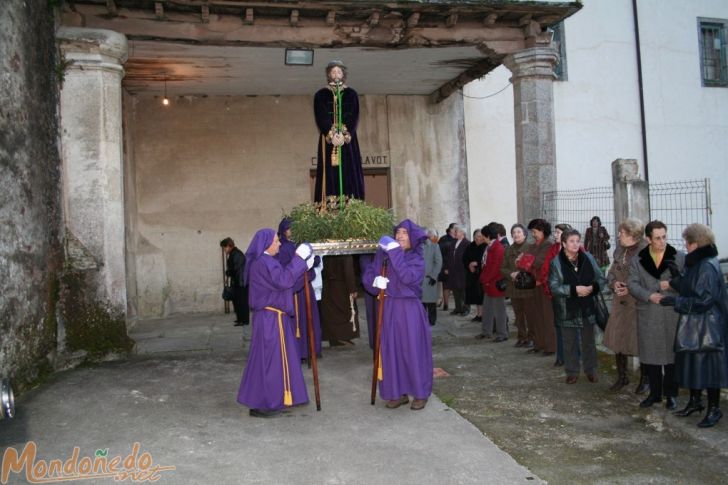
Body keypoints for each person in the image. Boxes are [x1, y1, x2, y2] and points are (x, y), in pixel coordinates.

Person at [237, 229, 315, 417]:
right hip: (270, 319)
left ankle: (280, 396)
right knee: (270, 362)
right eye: (276, 241)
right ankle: (266, 402)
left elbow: (285, 286)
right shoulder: (263, 263)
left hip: (274, 318)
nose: (279, 244)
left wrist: (304, 267)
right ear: (266, 244)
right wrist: (298, 260)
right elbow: (282, 281)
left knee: (278, 361)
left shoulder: (267, 262)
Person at [659, 224, 728, 428]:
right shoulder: (698, 262)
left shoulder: (706, 265)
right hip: (696, 323)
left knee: (708, 368)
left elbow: (703, 301)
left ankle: (714, 409)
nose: (685, 246)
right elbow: (690, 288)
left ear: (695, 243)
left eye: (686, 242)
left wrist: (675, 302)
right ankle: (695, 401)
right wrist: (677, 279)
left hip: (707, 325)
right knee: (692, 363)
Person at [363, 219, 432, 410]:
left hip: (409, 310)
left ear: (413, 238)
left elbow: (408, 277)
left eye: (404, 233)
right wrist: (374, 282)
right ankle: (397, 392)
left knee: (411, 351)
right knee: (390, 350)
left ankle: (419, 392)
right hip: (388, 307)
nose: (400, 236)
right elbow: (369, 273)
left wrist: (394, 252)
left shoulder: (416, 258)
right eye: (398, 232)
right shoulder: (384, 255)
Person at [627, 220, 684, 409]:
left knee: (671, 357)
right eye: (657, 238)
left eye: (664, 237)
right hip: (648, 312)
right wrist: (650, 293)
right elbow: (633, 284)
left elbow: (686, 283)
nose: (662, 241)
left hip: (671, 314)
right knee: (651, 357)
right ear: (648, 238)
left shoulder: (678, 257)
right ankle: (654, 394)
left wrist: (673, 284)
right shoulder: (637, 259)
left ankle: (671, 395)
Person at [549, 229, 607, 384]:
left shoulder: (588, 257)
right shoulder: (556, 262)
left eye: (577, 241)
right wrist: (574, 290)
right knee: (569, 342)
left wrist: (592, 288)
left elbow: (600, 278)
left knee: (589, 340)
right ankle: (572, 371)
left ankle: (591, 370)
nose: (575, 244)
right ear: (564, 243)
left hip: (587, 305)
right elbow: (554, 287)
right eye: (571, 241)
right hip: (567, 307)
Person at [603, 219, 647, 391]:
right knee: (617, 340)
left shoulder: (645, 252)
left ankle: (645, 379)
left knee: (640, 342)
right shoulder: (620, 250)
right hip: (619, 304)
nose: (618, 235)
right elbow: (611, 274)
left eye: (622, 232)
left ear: (632, 235)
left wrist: (630, 288)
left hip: (637, 304)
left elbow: (648, 280)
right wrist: (614, 284)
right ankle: (622, 377)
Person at [313, 60, 364, 203]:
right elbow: (321, 116)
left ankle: (351, 202)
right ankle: (329, 203)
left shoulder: (351, 94)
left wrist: (344, 135)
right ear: (329, 74)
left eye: (339, 72)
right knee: (329, 171)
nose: (336, 74)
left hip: (347, 140)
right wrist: (331, 134)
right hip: (328, 140)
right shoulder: (320, 95)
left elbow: (354, 115)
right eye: (333, 72)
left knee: (349, 168)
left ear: (343, 74)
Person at [275, 218, 322, 360]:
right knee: (299, 320)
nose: (291, 231)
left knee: (309, 318)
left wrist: (313, 261)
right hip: (295, 289)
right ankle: (300, 351)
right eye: (289, 228)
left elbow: (310, 261)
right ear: (283, 230)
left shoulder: (297, 244)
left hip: (305, 285)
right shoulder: (283, 247)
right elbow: (284, 268)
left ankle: (311, 349)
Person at [523, 219, 557, 356]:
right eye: (532, 232)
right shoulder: (533, 246)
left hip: (544, 284)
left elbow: (538, 262)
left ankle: (550, 347)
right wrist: (525, 260)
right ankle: (539, 344)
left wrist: (525, 260)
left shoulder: (548, 245)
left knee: (547, 316)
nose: (533, 234)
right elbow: (523, 263)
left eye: (535, 231)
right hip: (533, 283)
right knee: (535, 315)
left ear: (543, 231)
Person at [540, 223, 572, 366]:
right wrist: (549, 288)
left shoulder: (576, 249)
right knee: (559, 326)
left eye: (558, 232)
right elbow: (546, 269)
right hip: (556, 294)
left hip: (570, 295)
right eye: (555, 232)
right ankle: (561, 357)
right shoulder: (553, 249)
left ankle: (573, 356)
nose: (555, 235)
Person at [502, 223, 533, 348]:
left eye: (519, 232)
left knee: (529, 314)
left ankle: (531, 337)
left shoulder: (530, 248)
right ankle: (521, 337)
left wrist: (520, 273)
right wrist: (511, 274)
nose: (516, 234)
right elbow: (502, 268)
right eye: (514, 232)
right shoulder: (508, 249)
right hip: (513, 286)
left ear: (525, 234)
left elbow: (532, 267)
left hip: (526, 286)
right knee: (518, 314)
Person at [320, 256, 360, 347]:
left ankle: (335, 337)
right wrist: (352, 288)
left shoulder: (327, 250)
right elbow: (348, 271)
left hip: (328, 285)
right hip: (342, 286)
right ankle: (341, 337)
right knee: (344, 312)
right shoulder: (345, 253)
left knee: (333, 313)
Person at [478, 224, 508, 342]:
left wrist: (484, 279)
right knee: (488, 310)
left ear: (488, 236)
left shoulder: (498, 248)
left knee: (499, 311)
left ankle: (502, 334)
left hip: (495, 284)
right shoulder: (491, 246)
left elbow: (495, 268)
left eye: (483, 236)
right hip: (488, 284)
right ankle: (486, 331)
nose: (482, 238)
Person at [220, 237, 249, 326]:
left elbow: (235, 269)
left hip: (241, 282)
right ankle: (240, 319)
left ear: (229, 246)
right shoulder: (234, 254)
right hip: (238, 282)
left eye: (224, 248)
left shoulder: (236, 254)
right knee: (237, 302)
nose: (224, 250)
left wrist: (228, 272)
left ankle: (244, 320)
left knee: (241, 302)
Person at [421, 229, 443, 326]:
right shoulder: (415, 247)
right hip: (417, 279)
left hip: (429, 278)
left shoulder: (434, 246)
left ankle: (432, 320)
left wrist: (434, 276)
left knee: (430, 302)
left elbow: (438, 262)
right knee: (420, 303)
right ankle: (421, 320)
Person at [463, 229, 486, 323]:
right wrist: (469, 265)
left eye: (480, 236)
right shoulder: (470, 246)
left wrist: (476, 263)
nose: (477, 238)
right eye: (476, 236)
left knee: (482, 296)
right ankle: (479, 314)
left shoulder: (486, 246)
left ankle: (484, 315)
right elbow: (464, 258)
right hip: (472, 275)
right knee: (476, 296)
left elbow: (485, 260)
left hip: (482, 274)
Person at [449, 226, 470, 316]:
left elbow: (468, 257)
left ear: (462, 233)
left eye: (456, 231)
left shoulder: (467, 243)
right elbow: (450, 256)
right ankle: (458, 308)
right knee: (455, 289)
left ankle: (466, 308)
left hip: (463, 270)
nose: (454, 233)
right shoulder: (453, 242)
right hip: (454, 270)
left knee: (464, 290)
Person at [438, 223, 457, 311]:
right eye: (456, 228)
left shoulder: (458, 238)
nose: (457, 230)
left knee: (457, 286)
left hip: (456, 266)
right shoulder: (443, 239)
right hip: (446, 265)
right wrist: (444, 267)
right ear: (451, 229)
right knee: (446, 286)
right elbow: (439, 254)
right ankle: (446, 305)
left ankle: (459, 306)